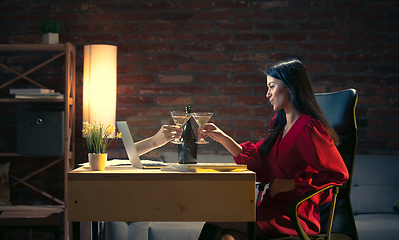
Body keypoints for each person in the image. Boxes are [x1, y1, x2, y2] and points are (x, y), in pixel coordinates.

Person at [197, 59, 349, 240]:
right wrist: (223, 138)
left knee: (216, 221)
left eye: (272, 86)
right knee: (227, 237)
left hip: (295, 216)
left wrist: (293, 183)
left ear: (290, 87)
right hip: (270, 208)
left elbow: (338, 174)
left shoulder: (308, 128)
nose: (267, 94)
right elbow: (259, 165)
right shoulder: (279, 126)